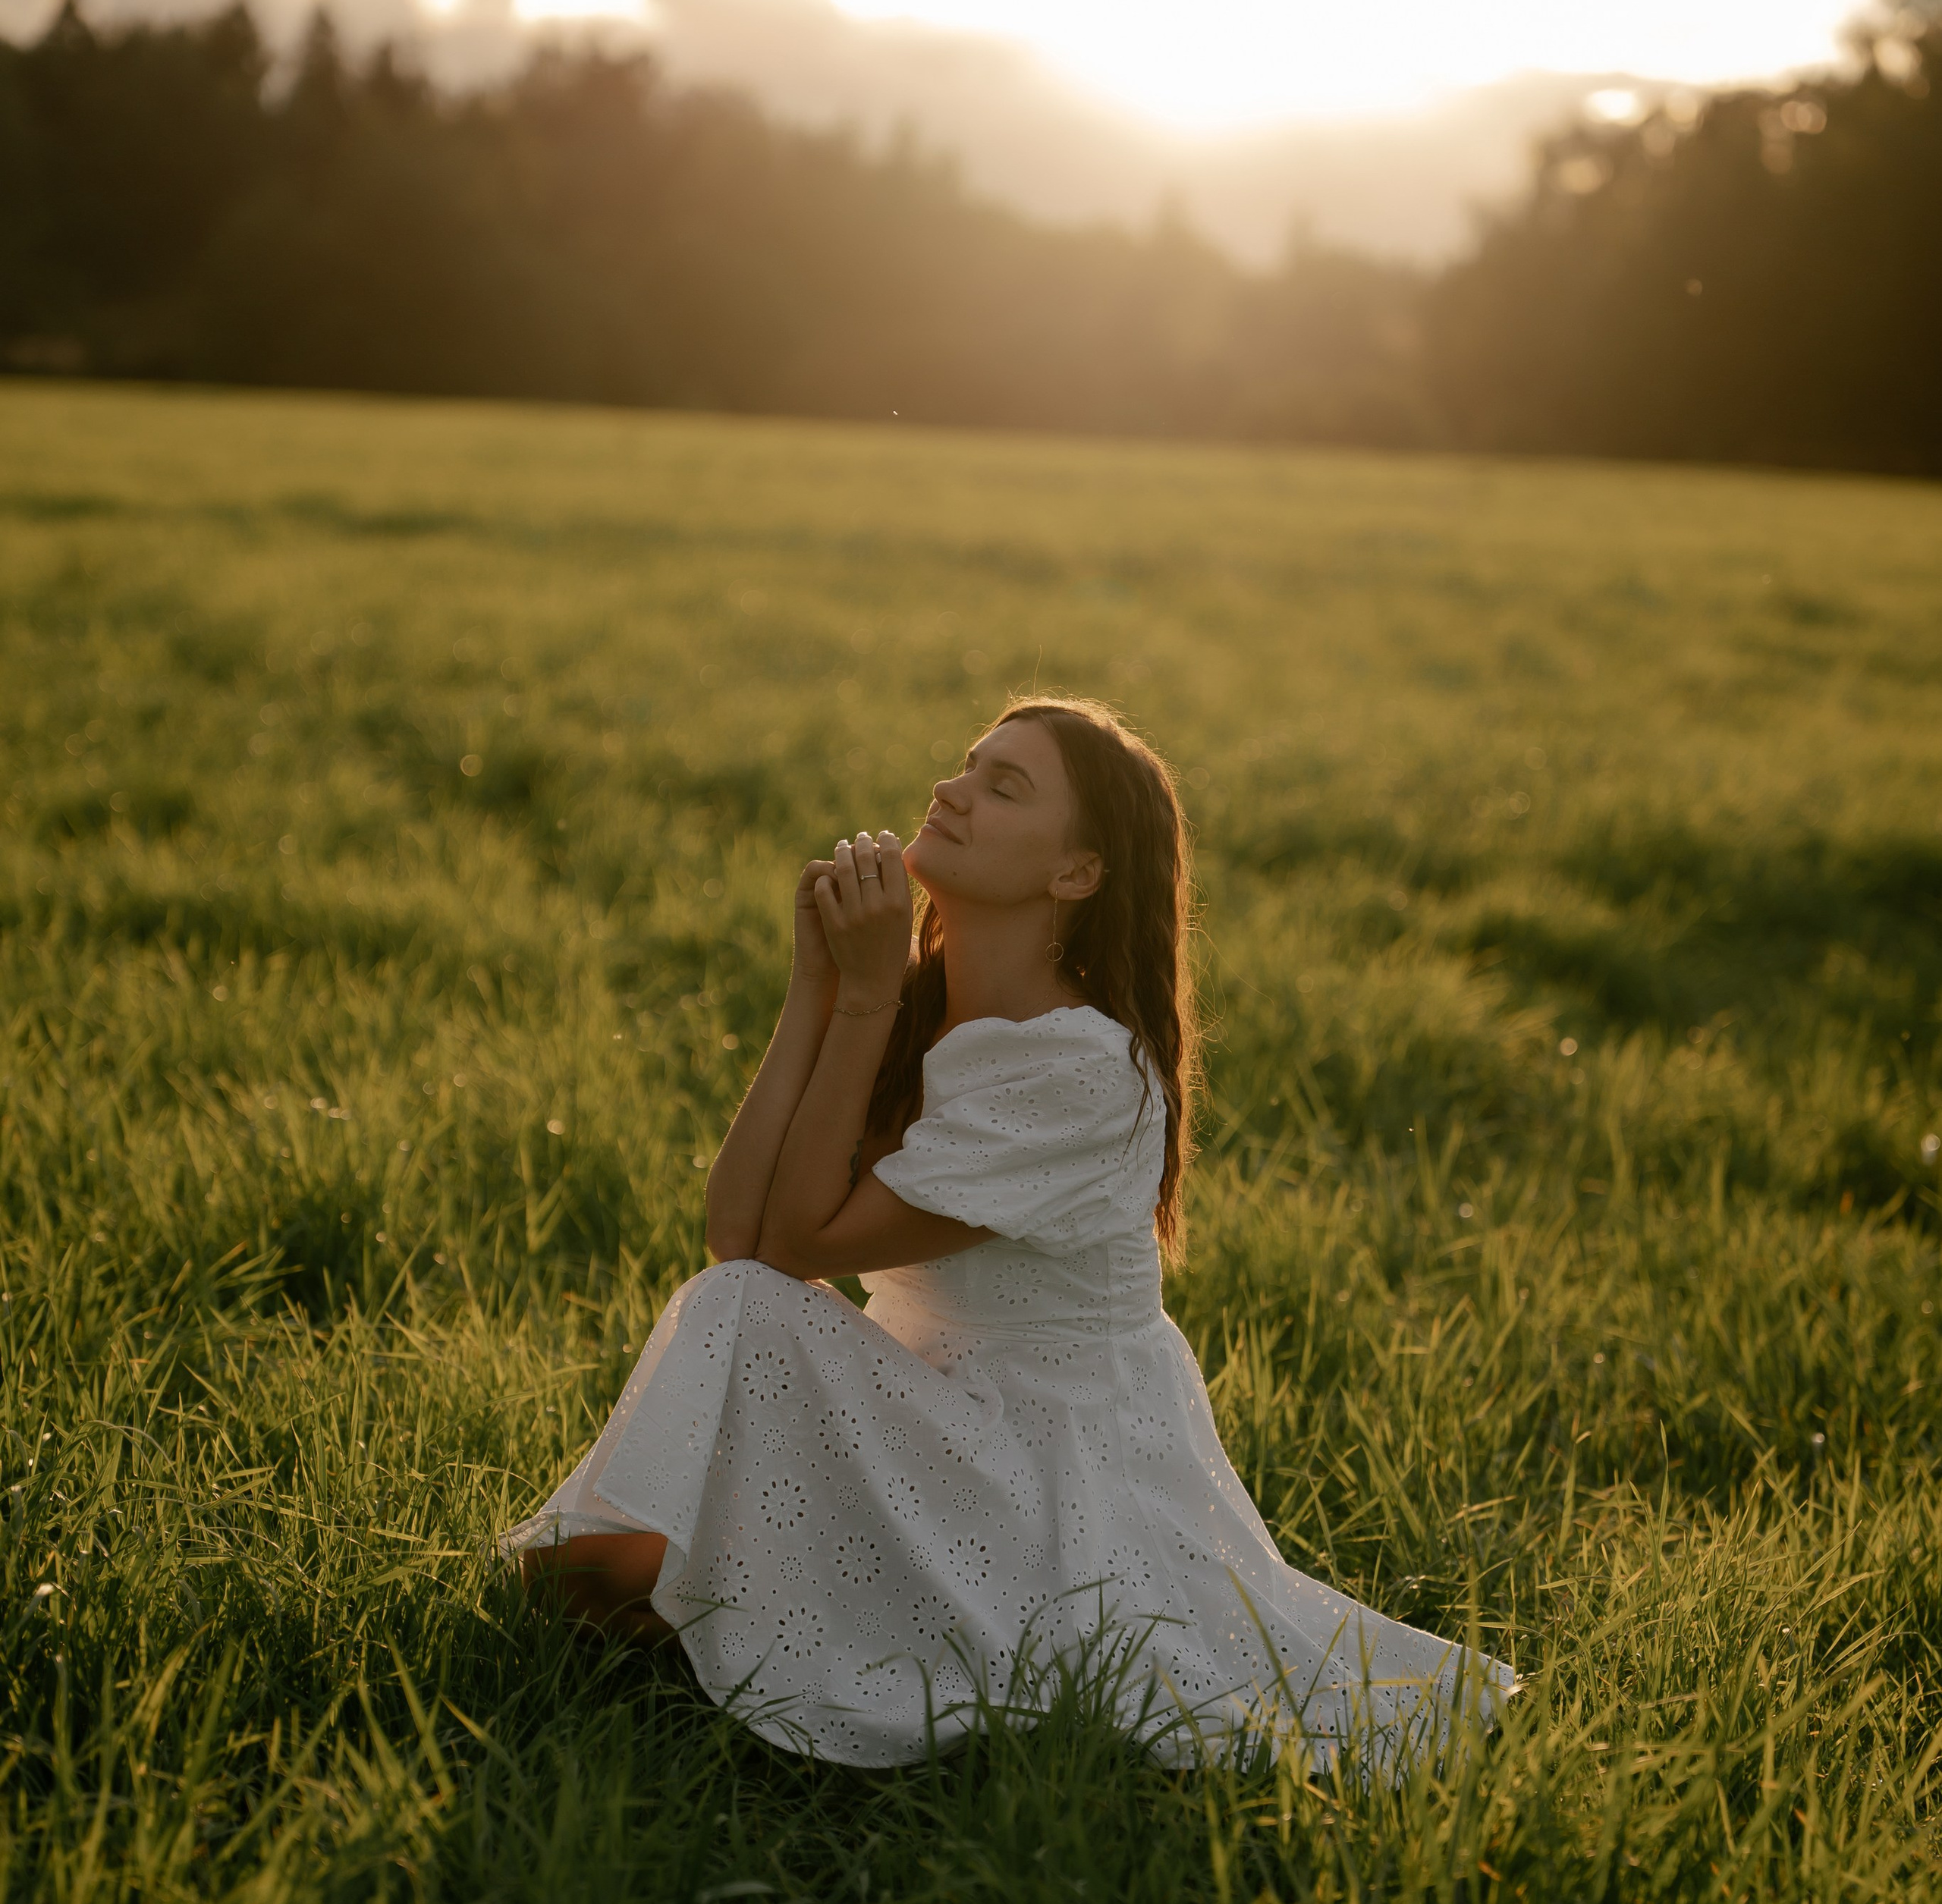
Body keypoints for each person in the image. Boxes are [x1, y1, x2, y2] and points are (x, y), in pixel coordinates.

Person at [502, 697, 1512, 1767]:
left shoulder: (1082, 1072)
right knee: (585, 1565)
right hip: (937, 1417)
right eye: (966, 767)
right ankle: (759, 1609)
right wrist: (821, 984)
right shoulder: (926, 1005)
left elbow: (786, 1251)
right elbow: (735, 1227)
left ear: (1076, 874)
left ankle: (801, 1620)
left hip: (1055, 1480)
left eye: (1004, 786)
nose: (952, 791)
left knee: (728, 1336)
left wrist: (861, 1006)